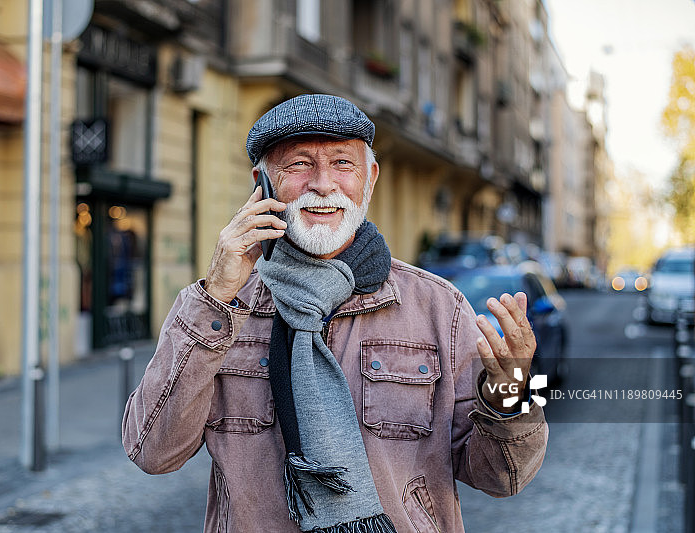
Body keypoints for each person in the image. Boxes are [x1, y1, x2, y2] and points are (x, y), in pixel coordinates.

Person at [122, 94, 548, 533]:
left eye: (343, 163)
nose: (323, 184)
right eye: (298, 165)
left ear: (370, 179)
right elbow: (153, 452)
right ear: (262, 184)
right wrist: (215, 296)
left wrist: (509, 391)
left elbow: (501, 477)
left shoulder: (439, 307)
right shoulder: (220, 308)